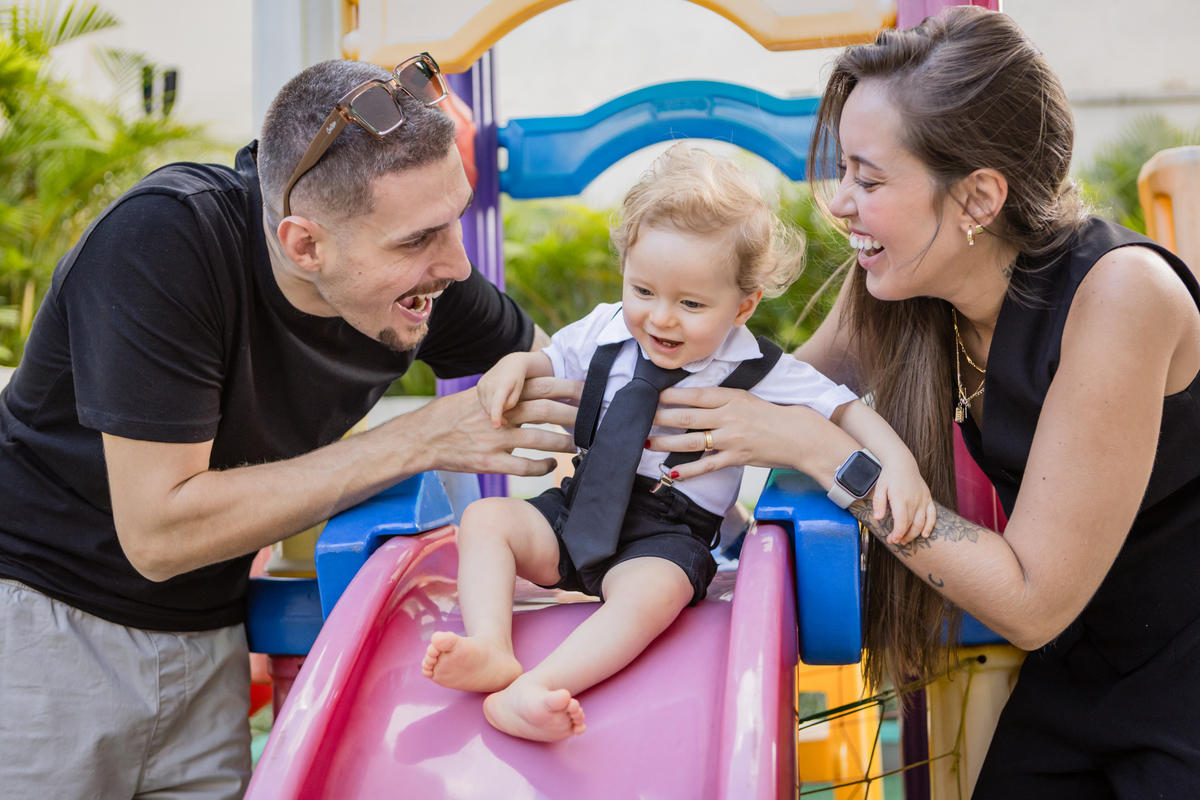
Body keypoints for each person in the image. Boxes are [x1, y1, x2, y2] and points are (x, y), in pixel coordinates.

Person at [645, 8, 1200, 798]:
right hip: (1084, 668)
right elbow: (748, 390)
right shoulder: (902, 289)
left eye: (868, 180)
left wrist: (826, 452)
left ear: (977, 199)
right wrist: (588, 388)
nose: (839, 204)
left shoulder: (1119, 296)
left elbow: (1032, 601)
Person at [0, 58, 580, 799]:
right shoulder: (164, 242)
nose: (456, 263)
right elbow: (158, 534)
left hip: (209, 640)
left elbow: (569, 381)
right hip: (39, 631)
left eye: (455, 219)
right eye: (416, 241)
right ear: (304, 244)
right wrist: (423, 437)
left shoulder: (426, 285)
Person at [420, 145, 936, 742]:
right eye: (643, 291)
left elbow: (844, 408)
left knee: (653, 595)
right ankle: (489, 644)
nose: (660, 318)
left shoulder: (756, 366)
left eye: (690, 304)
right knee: (486, 520)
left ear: (744, 305)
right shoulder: (607, 328)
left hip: (667, 532)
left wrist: (896, 461)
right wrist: (515, 364)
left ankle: (540, 686)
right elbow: (547, 357)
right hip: (576, 506)